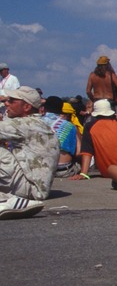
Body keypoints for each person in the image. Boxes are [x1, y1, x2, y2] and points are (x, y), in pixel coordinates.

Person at [0, 87, 58, 218]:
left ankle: (4, 200)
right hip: (32, 185)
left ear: (26, 107)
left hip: (29, 187)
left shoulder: (25, 124)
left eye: (12, 101)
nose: (6, 103)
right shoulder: (36, 123)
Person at [40, 96, 80, 178]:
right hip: (62, 169)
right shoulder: (69, 126)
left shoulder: (36, 123)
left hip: (41, 169)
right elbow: (78, 152)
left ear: (44, 108)